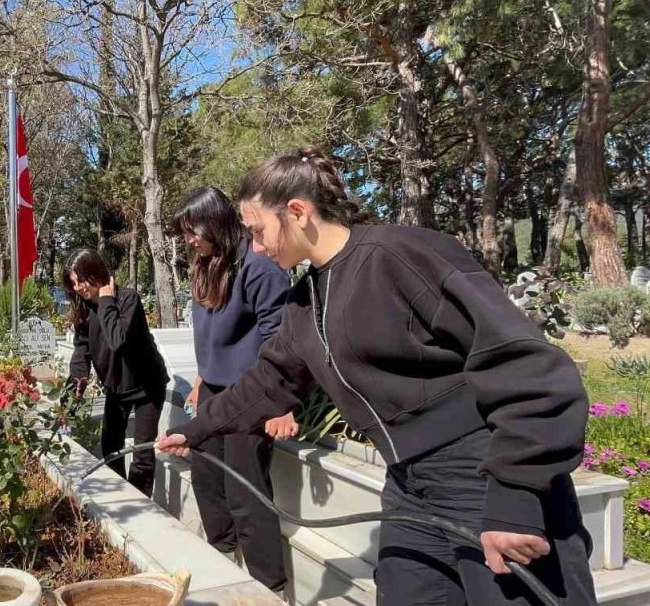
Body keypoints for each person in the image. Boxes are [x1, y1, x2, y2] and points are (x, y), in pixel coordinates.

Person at [157, 146, 596, 605]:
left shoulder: (402, 254)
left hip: (484, 474)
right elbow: (269, 381)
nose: (259, 247)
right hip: (408, 485)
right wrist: (196, 430)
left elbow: (530, 368)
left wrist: (515, 497)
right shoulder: (306, 302)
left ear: (298, 212)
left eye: (260, 231)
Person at [173, 186, 297, 591]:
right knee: (208, 481)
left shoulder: (260, 267)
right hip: (213, 392)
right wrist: (200, 381)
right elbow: (207, 336)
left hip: (253, 395)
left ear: (217, 223)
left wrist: (282, 404)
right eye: (185, 233)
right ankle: (221, 560)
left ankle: (268, 586)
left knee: (246, 492)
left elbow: (279, 337)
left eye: (194, 232)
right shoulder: (205, 265)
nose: (190, 241)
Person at [64, 249, 168, 496]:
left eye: (81, 280)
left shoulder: (128, 300)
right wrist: (70, 398)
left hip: (147, 387)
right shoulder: (84, 311)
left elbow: (118, 340)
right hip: (116, 388)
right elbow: (81, 355)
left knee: (142, 452)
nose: (78, 288)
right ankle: (120, 496)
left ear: (97, 273)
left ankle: (140, 502)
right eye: (73, 283)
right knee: (110, 447)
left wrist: (107, 301)